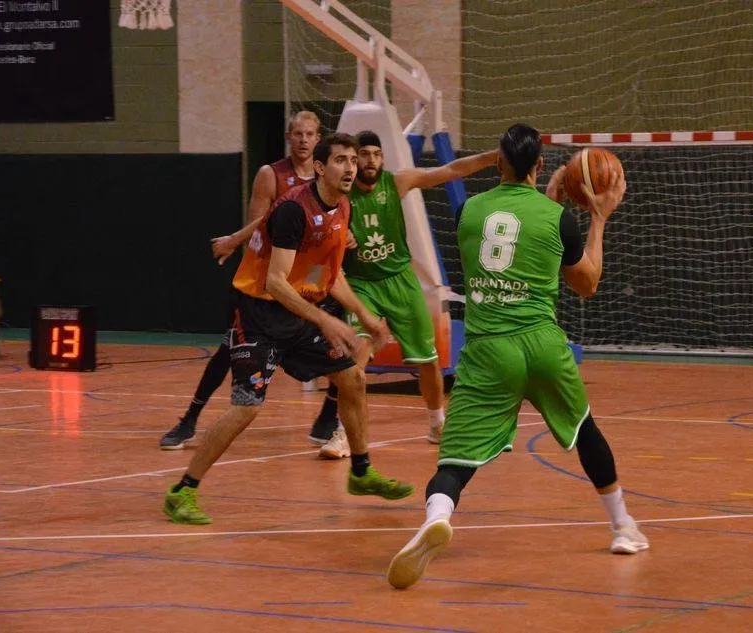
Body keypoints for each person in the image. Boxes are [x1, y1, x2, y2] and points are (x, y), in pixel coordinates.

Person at [386, 124, 647, 590]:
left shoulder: (468, 212)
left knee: (454, 463)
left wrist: (543, 200)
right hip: (541, 346)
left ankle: (436, 518)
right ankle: (623, 527)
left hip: (489, 350)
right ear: (541, 165)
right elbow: (586, 283)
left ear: (499, 161)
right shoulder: (557, 218)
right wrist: (599, 217)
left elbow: (509, 237)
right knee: (585, 430)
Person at [162, 134, 413, 525]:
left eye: (352, 160)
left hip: (297, 314)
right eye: (341, 160)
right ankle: (183, 491)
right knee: (247, 407)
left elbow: (327, 273)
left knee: (352, 378)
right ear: (319, 168)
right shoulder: (294, 211)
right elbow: (276, 282)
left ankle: (361, 472)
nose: (350, 167)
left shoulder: (342, 206)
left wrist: (363, 315)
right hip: (259, 315)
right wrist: (325, 319)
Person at [158, 111, 348, 449]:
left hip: (310, 281)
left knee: (343, 345)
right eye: (297, 134)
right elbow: (261, 224)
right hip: (268, 287)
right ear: (288, 137)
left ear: (318, 139)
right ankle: (190, 419)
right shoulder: (271, 175)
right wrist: (235, 239)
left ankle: (327, 421)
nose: (303, 140)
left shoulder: (333, 181)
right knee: (226, 351)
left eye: (309, 134)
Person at [316, 130, 498, 458]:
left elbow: (450, 170)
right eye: (363, 156)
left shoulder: (396, 182)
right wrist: (342, 239)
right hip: (362, 285)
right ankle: (343, 433)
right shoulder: (339, 193)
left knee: (429, 360)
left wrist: (492, 157)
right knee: (353, 364)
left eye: (375, 155)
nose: (369, 161)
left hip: (400, 280)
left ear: (382, 158)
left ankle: (437, 424)